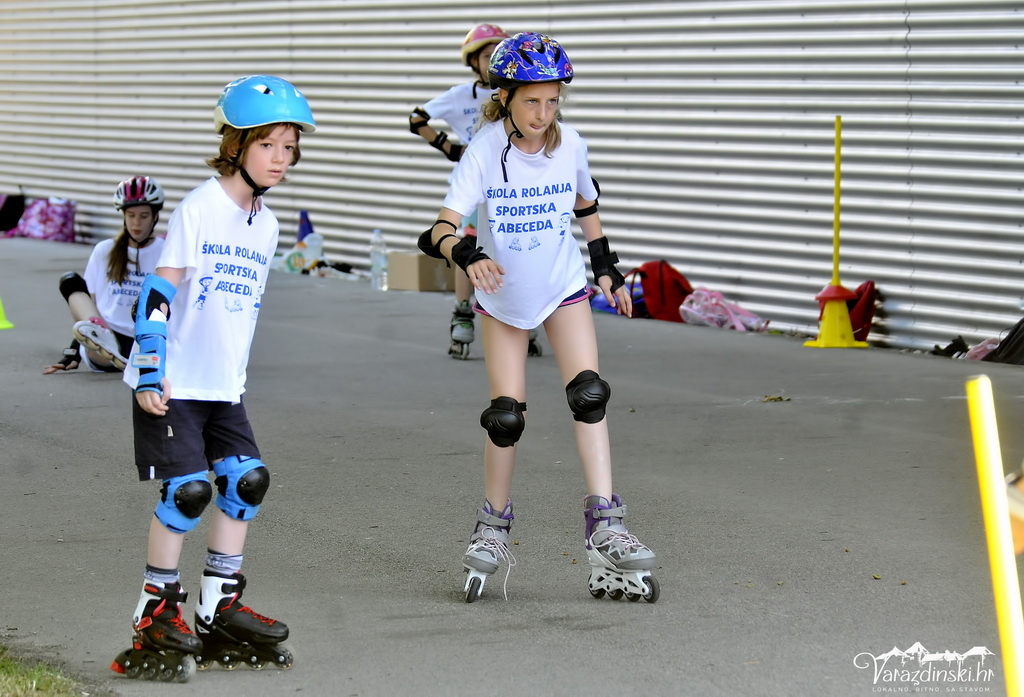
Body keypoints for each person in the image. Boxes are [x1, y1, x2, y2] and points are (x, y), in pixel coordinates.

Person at [418, 32, 659, 603]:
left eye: (553, 101)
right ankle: (492, 527)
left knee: (590, 395)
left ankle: (607, 524)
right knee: (506, 417)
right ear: (505, 97)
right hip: (502, 298)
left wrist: (605, 268)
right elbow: (438, 230)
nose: (543, 113)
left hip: (562, 287)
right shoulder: (482, 152)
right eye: (532, 101)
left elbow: (586, 206)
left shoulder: (570, 143)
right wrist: (468, 254)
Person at [111, 75, 315, 682]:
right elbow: (159, 288)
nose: (281, 159)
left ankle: (217, 606)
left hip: (224, 387)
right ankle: (155, 614)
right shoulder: (203, 206)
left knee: (246, 482)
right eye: (268, 146)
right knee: (188, 493)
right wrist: (150, 366)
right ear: (236, 145)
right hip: (174, 384)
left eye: (289, 147)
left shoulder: (268, 222)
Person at [409, 23, 542, 360]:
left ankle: (520, 316)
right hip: (474, 186)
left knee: (515, 245)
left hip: (513, 186)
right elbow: (416, 117)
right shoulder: (460, 96)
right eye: (486, 55)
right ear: (473, 61)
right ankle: (463, 310)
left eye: (498, 53)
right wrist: (448, 147)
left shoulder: (518, 90)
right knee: (467, 247)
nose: (493, 60)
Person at [43, 177, 165, 375]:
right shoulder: (104, 250)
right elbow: (89, 305)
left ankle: (135, 360)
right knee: (70, 281)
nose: (136, 222)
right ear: (123, 215)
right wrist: (72, 353)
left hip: (145, 340)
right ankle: (103, 340)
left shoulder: (166, 252)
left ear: (155, 217)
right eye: (131, 215)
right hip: (107, 341)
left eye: (144, 216)